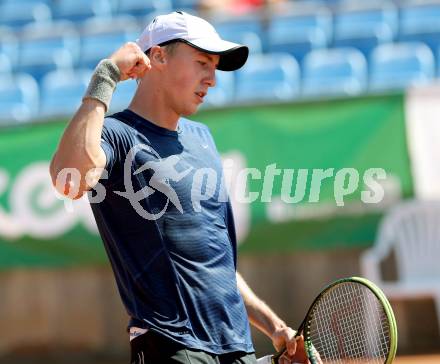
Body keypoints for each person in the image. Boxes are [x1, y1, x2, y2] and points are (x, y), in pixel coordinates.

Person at [50, 11, 314, 364]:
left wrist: (275, 327)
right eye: (203, 62)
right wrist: (106, 77)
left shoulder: (203, 138)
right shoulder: (117, 136)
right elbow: (70, 178)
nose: (212, 79)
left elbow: (214, 262)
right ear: (158, 56)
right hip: (172, 347)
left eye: (215, 66)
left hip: (237, 347)